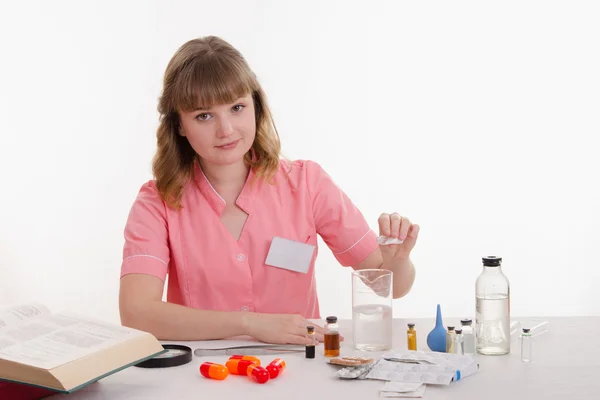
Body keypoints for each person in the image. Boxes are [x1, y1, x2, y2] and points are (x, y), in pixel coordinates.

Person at [118, 36, 420, 345]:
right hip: (205, 376)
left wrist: (397, 260)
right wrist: (250, 324)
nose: (226, 130)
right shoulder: (156, 202)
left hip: (298, 371)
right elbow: (136, 314)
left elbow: (392, 286)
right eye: (203, 115)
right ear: (179, 125)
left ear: (256, 107)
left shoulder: (307, 184)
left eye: (237, 107)